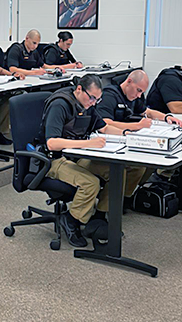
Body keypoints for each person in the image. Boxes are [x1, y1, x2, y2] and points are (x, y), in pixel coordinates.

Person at [41, 74, 129, 248]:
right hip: (54, 161)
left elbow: (104, 127)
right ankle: (71, 220)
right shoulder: (60, 105)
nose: (94, 102)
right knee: (91, 183)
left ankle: (99, 217)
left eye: (98, 99)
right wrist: (89, 143)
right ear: (79, 89)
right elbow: (52, 143)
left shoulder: (87, 104)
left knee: (116, 172)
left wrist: (129, 136)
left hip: (78, 156)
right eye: (92, 98)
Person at [93, 69, 182, 212]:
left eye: (142, 92)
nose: (139, 95)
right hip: (108, 141)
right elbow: (105, 123)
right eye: (138, 90)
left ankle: (125, 198)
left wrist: (166, 117)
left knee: (148, 163)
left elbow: (147, 111)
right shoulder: (110, 95)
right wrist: (137, 126)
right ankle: (111, 204)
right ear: (129, 82)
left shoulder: (135, 96)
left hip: (127, 140)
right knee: (133, 167)